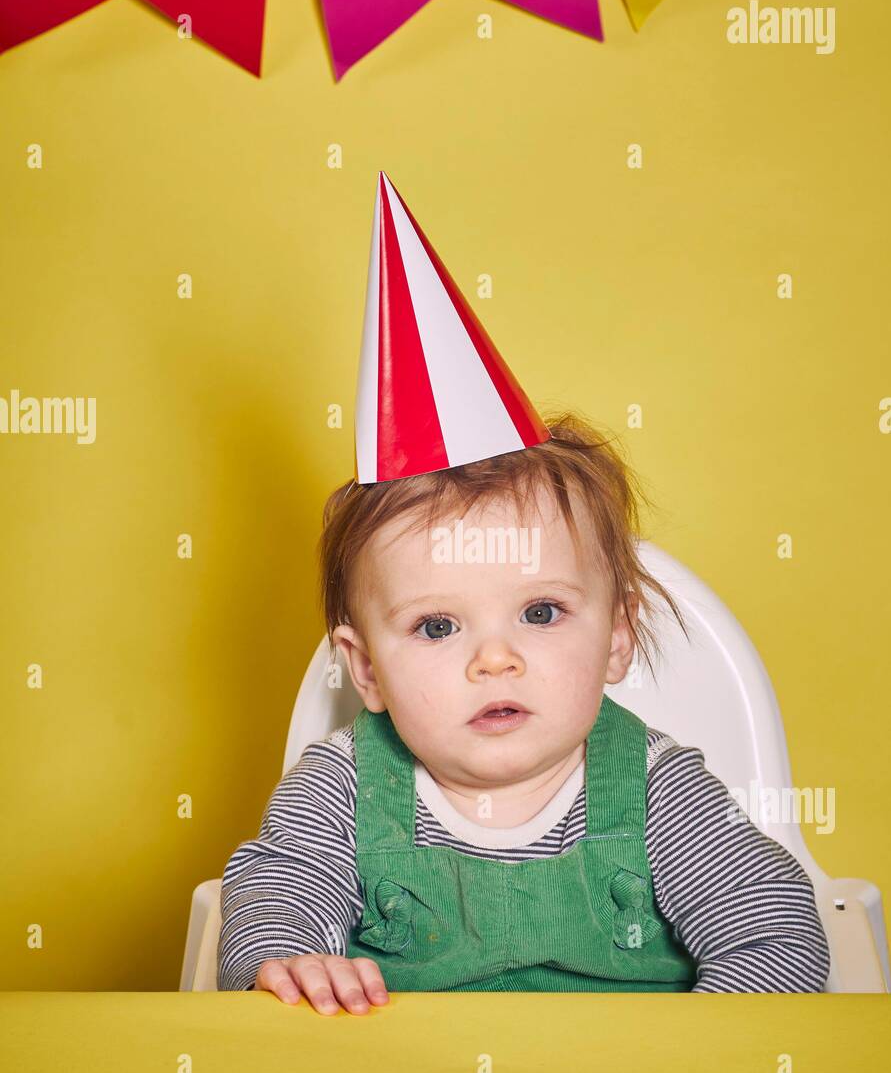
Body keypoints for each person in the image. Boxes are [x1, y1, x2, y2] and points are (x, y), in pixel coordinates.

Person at [217, 174, 830, 1010]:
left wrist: (706, 1057)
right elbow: (273, 891)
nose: (495, 659)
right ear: (365, 671)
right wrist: (289, 960)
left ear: (617, 636)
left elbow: (774, 928)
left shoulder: (658, 790)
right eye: (436, 627)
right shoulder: (342, 787)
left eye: (541, 613)